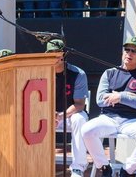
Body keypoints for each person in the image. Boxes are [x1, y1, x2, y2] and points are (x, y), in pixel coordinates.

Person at [81, 37, 136, 177]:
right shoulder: (110, 73)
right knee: (86, 130)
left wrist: (120, 97)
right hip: (109, 118)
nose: (129, 53)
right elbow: (100, 100)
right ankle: (104, 166)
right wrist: (130, 97)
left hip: (133, 120)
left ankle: (128, 170)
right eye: (127, 50)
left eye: (134, 51)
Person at [45, 39, 89, 177]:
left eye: (57, 53)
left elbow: (79, 104)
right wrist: (48, 113)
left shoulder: (77, 73)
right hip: (46, 115)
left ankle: (78, 168)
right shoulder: (40, 71)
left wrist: (60, 115)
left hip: (68, 115)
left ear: (64, 54)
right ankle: (39, 163)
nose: (54, 56)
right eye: (51, 53)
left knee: (80, 119)